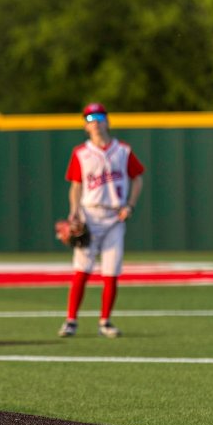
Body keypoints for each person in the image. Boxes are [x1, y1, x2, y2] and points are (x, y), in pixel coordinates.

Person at [59, 102, 145, 338]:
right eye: (89, 119)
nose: (95, 122)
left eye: (98, 117)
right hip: (90, 214)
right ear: (85, 126)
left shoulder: (123, 150)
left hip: (115, 216)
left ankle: (105, 321)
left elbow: (138, 178)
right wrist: (74, 211)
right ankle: (71, 320)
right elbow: (76, 186)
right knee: (82, 270)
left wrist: (130, 205)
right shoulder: (81, 153)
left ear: (107, 121)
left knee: (111, 271)